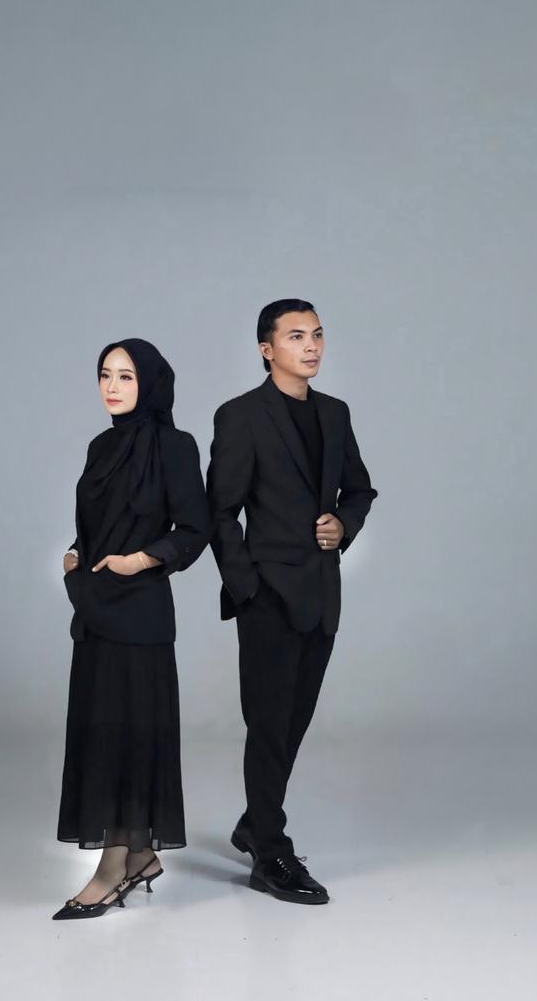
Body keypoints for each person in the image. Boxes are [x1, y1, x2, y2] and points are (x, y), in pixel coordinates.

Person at [206, 299, 377, 905]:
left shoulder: (334, 412)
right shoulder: (241, 416)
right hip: (268, 595)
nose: (312, 346)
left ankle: (256, 821)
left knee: (295, 720)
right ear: (266, 349)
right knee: (268, 723)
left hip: (321, 592)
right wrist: (247, 587)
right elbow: (220, 510)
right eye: (297, 336)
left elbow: (360, 489)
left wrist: (343, 524)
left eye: (318, 335)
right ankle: (270, 853)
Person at [53, 337, 209, 921]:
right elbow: (94, 526)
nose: (112, 387)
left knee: (130, 735)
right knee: (101, 731)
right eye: (105, 374)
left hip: (140, 612)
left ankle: (111, 869)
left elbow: (193, 529)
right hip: (96, 609)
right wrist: (76, 553)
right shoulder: (100, 447)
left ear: (150, 383)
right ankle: (140, 855)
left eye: (126, 376)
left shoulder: (175, 446)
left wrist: (139, 560)